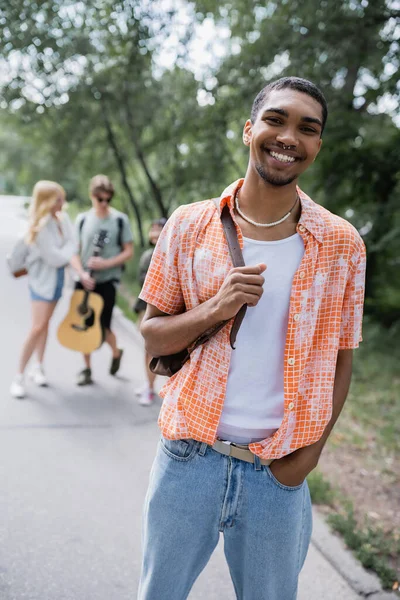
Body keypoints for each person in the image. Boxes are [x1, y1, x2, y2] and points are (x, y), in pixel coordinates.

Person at [138, 77, 366, 599]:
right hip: (187, 460)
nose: (289, 136)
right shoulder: (189, 225)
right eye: (276, 120)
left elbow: (341, 361)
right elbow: (152, 336)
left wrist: (309, 456)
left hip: (278, 474)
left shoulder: (342, 244)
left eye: (307, 129)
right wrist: (217, 307)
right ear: (249, 130)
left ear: (317, 147)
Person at [10, 181, 76, 399]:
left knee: (45, 324)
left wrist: (66, 249)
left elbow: (74, 244)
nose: (62, 202)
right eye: (58, 199)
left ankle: (38, 366)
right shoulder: (39, 226)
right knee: (37, 327)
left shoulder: (62, 219)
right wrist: (66, 250)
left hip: (57, 280)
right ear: (46, 201)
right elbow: (55, 257)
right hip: (41, 282)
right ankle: (19, 377)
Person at [70, 175, 134, 386]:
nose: (104, 203)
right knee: (83, 324)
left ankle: (116, 353)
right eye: (100, 199)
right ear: (92, 196)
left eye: (108, 199)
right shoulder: (82, 220)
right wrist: (82, 274)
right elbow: (74, 252)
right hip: (84, 280)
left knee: (104, 327)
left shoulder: (119, 220)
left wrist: (106, 264)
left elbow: (128, 251)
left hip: (107, 281)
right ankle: (86, 369)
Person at [133, 218, 167, 406]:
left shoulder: (171, 253)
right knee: (148, 349)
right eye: (152, 229)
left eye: (159, 229)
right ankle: (149, 384)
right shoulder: (147, 255)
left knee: (158, 351)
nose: (155, 233)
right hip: (146, 308)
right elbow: (142, 281)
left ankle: (157, 387)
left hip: (165, 311)